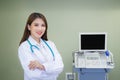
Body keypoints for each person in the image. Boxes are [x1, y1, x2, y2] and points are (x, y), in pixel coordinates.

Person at [18, 12, 64, 80]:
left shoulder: (51, 44)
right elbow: (33, 74)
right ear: (29, 27)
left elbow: (60, 66)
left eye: (43, 25)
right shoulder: (24, 47)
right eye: (36, 25)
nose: (40, 29)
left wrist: (42, 66)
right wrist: (52, 70)